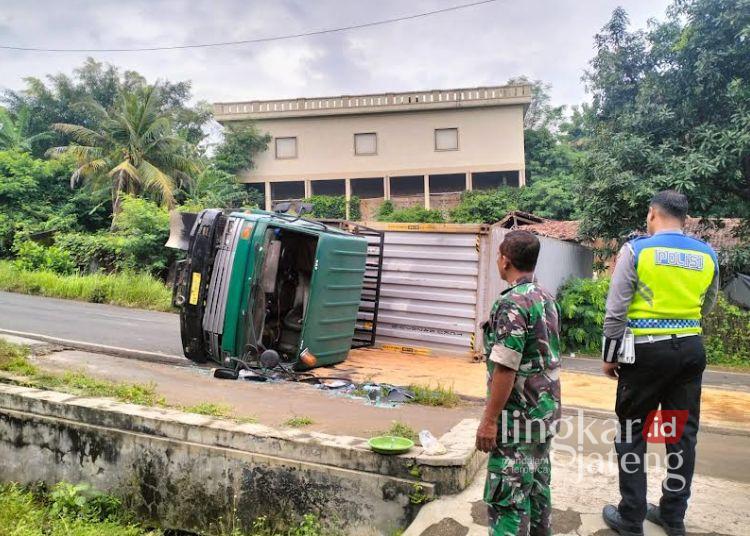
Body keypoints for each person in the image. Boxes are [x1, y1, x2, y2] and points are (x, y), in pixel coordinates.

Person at [600, 190, 719, 536]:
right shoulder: (708, 254)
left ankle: (631, 517)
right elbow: (707, 304)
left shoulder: (637, 249)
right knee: (681, 435)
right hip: (691, 350)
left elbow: (616, 310)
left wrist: (609, 356)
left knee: (633, 432)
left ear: (653, 214)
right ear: (685, 219)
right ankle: (672, 516)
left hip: (645, 354)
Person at [475, 230, 561, 536]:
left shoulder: (512, 303)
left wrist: (489, 421)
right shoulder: (546, 298)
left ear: (505, 260)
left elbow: (505, 369)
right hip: (544, 416)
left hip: (516, 421)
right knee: (537, 492)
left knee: (508, 499)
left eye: (499, 256)